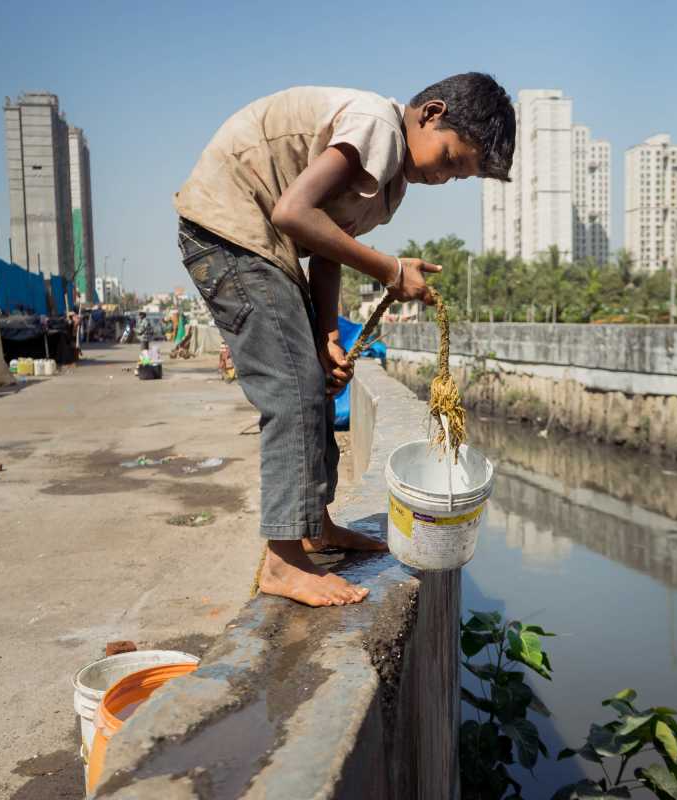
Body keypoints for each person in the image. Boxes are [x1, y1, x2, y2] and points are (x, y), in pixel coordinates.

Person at [175, 74, 515, 607]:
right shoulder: (380, 127)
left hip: (261, 240)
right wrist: (390, 270)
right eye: (451, 160)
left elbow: (327, 244)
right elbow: (293, 213)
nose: (447, 177)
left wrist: (327, 335)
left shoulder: (391, 182)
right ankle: (284, 565)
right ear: (430, 113)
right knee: (292, 392)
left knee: (314, 378)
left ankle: (316, 527)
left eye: (459, 176)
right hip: (231, 229)